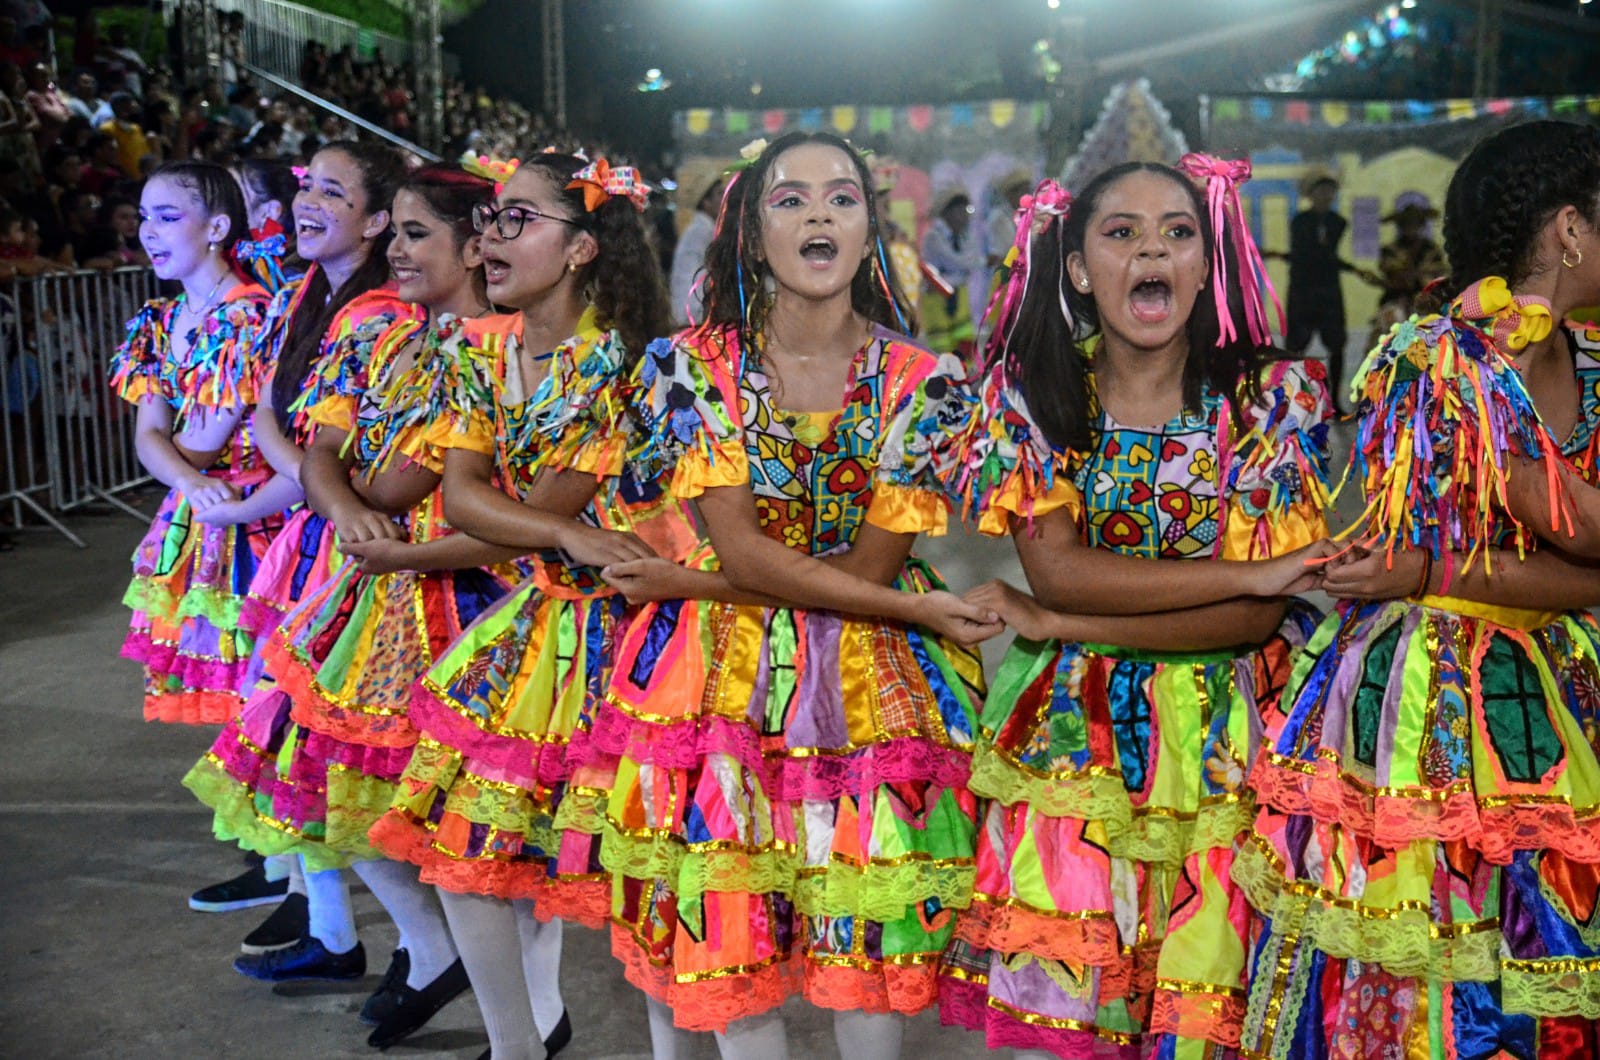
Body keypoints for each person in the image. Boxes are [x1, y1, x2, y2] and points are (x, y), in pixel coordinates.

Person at [594, 131, 1001, 1060]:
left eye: (842, 197)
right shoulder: (688, 366)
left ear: (869, 231)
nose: (819, 213)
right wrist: (921, 610)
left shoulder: (928, 383)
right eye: (790, 199)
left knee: (865, 936)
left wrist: (686, 583)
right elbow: (744, 547)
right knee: (730, 940)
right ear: (750, 231)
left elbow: (864, 573)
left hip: (872, 690)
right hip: (720, 694)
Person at [939, 159, 1336, 1057]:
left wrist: (1066, 626)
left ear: (1206, 263)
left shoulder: (1268, 400)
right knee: (1095, 1003)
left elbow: (1248, 625)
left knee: (1221, 1001)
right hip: (1083, 746)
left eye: (1178, 231)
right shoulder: (1034, 396)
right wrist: (1246, 573)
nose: (1152, 247)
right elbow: (1064, 577)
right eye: (1121, 232)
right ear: (1077, 268)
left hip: (1245, 739)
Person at [1239, 119, 1600, 1059]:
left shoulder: (1590, 361)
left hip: (1564, 687)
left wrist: (1436, 569)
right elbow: (1581, 534)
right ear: (1569, 230)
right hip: (1425, 708)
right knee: (1427, 979)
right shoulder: (1435, 356)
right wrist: (1457, 574)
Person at [186, 167, 510, 1047]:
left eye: (413, 234)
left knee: (479, 821)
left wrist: (351, 495)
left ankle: (522, 1018)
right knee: (337, 783)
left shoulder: (493, 349)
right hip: (371, 577)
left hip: (471, 589)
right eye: (394, 233)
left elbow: (394, 474)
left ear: (477, 245)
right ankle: (426, 952)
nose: (393, 250)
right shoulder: (385, 335)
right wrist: (345, 501)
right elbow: (321, 447)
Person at [366, 151, 677, 1060]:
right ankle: (516, 1046)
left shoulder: (631, 361)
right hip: (540, 621)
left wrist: (558, 535)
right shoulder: (479, 349)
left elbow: (536, 516)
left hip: (639, 638)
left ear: (583, 249)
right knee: (464, 854)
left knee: (643, 874)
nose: (491, 237)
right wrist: (563, 537)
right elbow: (467, 496)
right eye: (491, 220)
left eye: (518, 220)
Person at [182, 141, 411, 937]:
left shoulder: (380, 313)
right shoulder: (315, 292)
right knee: (297, 747)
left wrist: (277, 476)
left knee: (331, 754)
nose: (306, 199)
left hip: (338, 544)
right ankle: (333, 927)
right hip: (306, 535)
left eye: (333, 192)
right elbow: (280, 425)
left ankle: (387, 943)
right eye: (307, 184)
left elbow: (314, 446)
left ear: (379, 221)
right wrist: (291, 455)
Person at [108, 162, 276, 724]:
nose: (148, 232)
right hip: (201, 513)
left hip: (259, 523)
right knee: (231, 698)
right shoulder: (158, 320)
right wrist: (187, 481)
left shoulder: (249, 316)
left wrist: (189, 472)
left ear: (216, 228)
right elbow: (148, 436)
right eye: (144, 218)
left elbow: (198, 443)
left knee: (267, 695)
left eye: (168, 217)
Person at [1284, 173, 1363, 404]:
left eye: (1330, 191)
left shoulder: (1338, 222)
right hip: (1303, 292)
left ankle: (1334, 400)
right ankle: (1292, 399)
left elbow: (1324, 256)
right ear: (1311, 194)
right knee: (1296, 347)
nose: (1326, 196)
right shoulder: (1299, 222)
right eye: (1321, 191)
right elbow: (1313, 255)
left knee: (1336, 344)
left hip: (1329, 293)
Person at [921, 188, 984, 359]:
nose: (965, 216)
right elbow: (956, 262)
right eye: (960, 211)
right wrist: (971, 263)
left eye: (967, 211)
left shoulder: (964, 236)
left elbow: (972, 261)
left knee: (964, 342)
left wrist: (971, 263)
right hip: (937, 297)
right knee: (941, 347)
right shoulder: (933, 236)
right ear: (947, 213)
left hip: (959, 294)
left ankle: (964, 380)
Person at [668, 165, 724, 326]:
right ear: (706, 202)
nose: (724, 199)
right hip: (693, 315)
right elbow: (692, 278)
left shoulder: (702, 229)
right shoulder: (702, 231)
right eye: (719, 193)